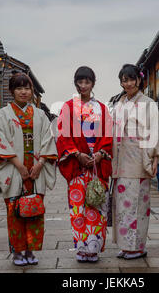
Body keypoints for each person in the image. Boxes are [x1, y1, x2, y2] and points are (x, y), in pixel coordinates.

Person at [0, 73, 57, 266]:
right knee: (15, 214)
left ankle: (30, 251)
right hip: (13, 170)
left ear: (31, 91)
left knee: (35, 212)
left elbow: (48, 140)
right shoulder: (3, 114)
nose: (23, 92)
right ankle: (18, 252)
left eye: (27, 88)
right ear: (12, 91)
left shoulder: (39, 114)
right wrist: (19, 166)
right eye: (19, 88)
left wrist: (40, 164)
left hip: (37, 172)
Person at [111, 64, 159, 260]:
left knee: (136, 206)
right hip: (120, 161)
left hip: (139, 159)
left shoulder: (148, 103)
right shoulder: (118, 104)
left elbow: (155, 132)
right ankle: (125, 245)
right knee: (122, 206)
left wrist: (154, 159)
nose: (127, 83)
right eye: (123, 80)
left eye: (130, 79)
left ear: (139, 79)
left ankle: (137, 247)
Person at [56, 66, 113, 263]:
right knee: (78, 207)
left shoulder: (102, 109)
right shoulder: (68, 107)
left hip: (97, 166)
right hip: (77, 166)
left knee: (96, 206)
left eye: (87, 82)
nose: (83, 86)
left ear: (93, 83)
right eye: (80, 82)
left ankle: (93, 248)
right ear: (76, 83)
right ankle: (81, 248)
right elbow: (63, 135)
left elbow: (108, 136)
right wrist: (76, 154)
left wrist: (99, 154)